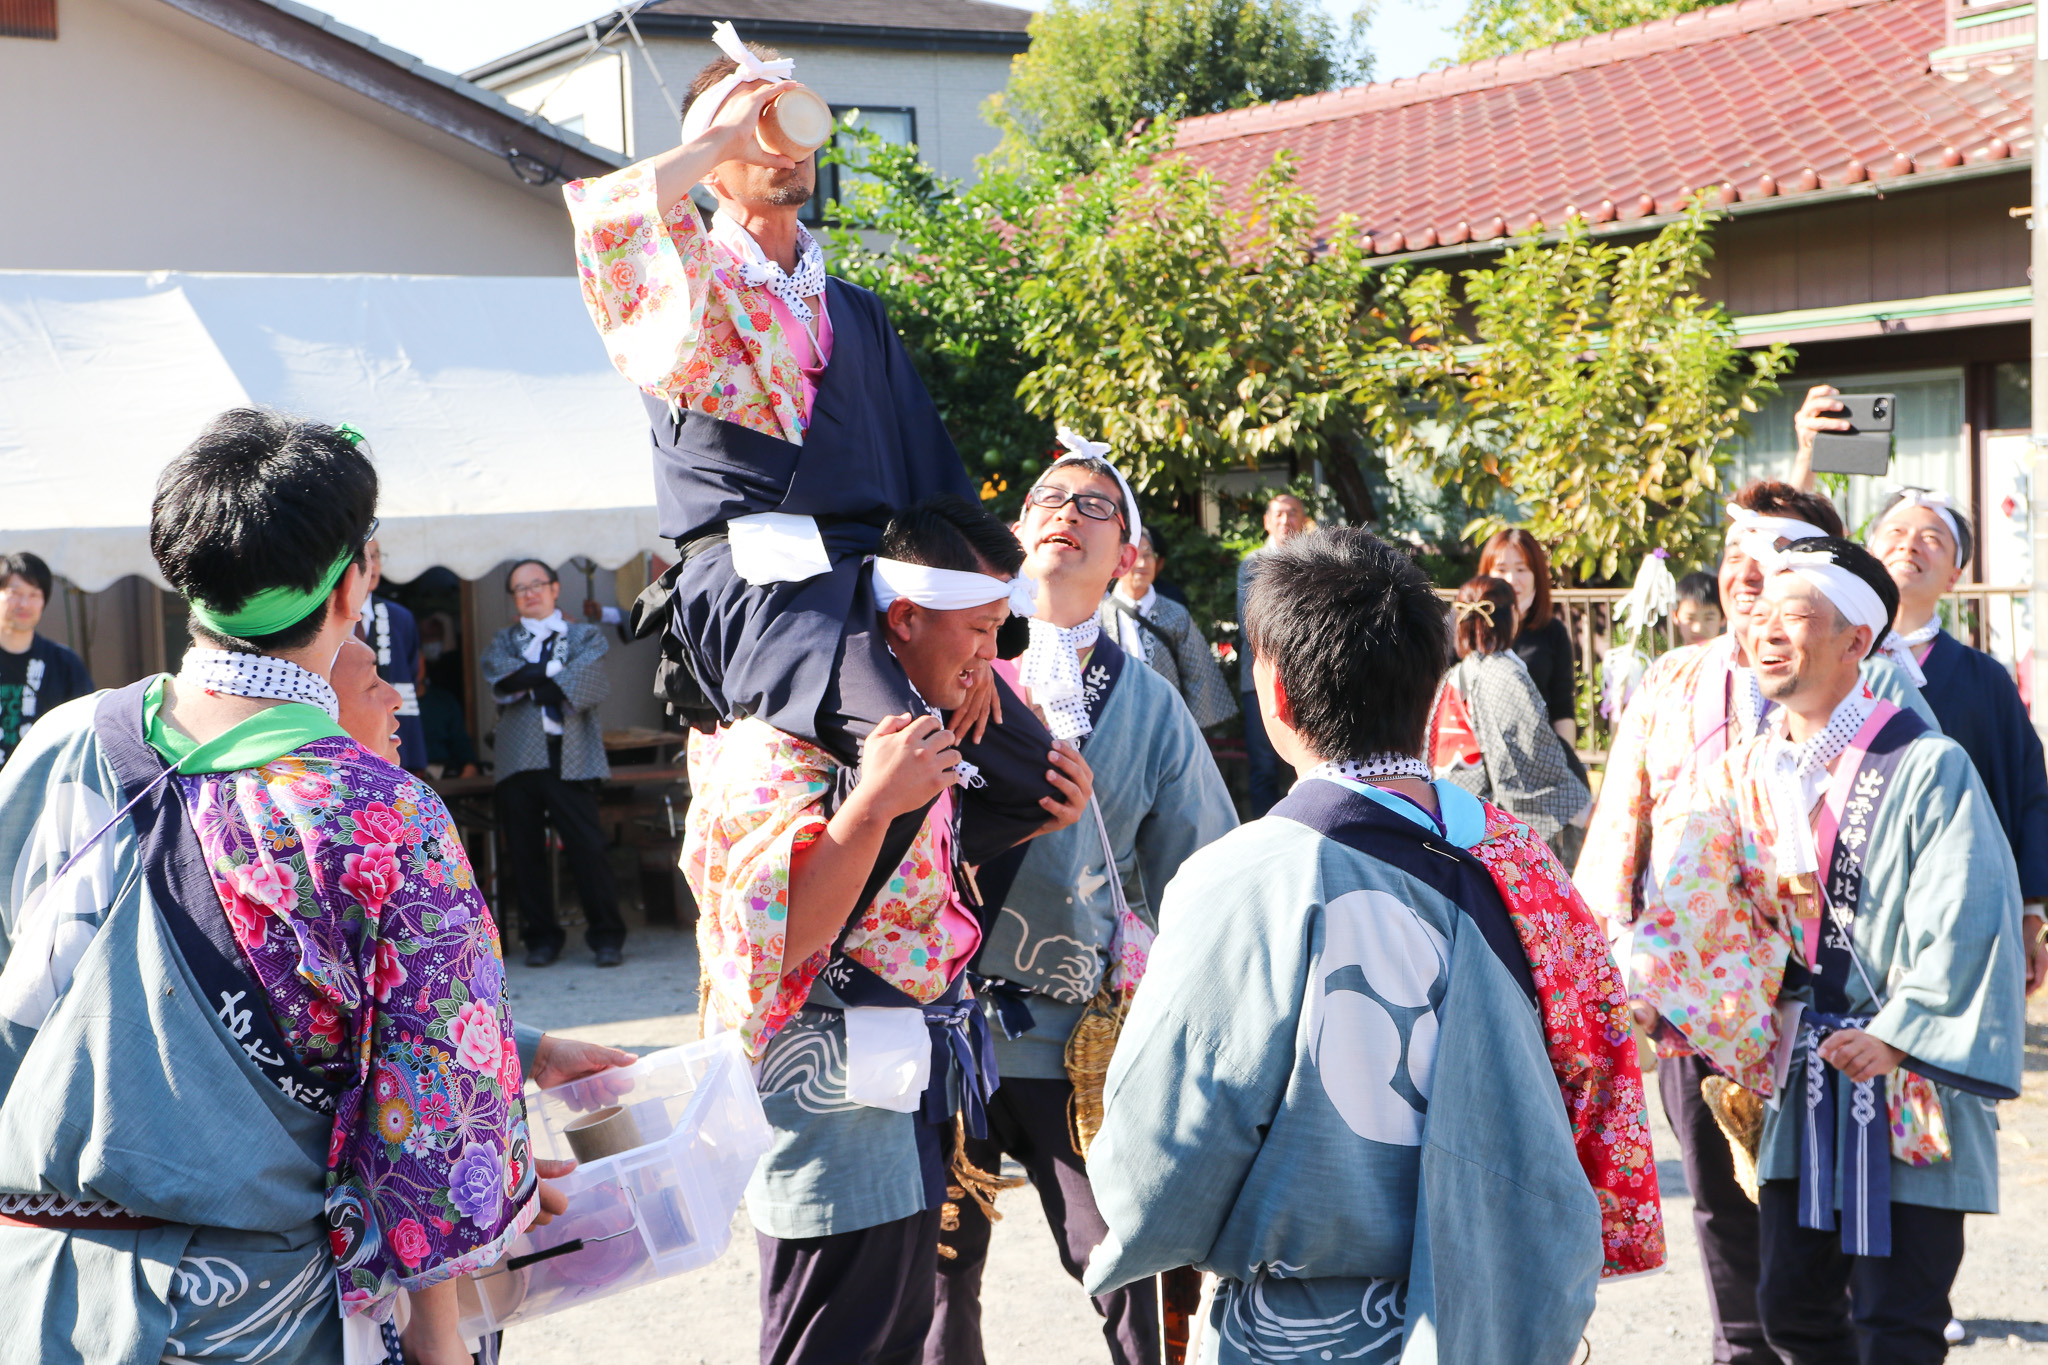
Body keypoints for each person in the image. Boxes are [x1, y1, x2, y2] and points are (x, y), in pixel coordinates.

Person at [0, 409, 562, 1364]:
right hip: (249, 1315)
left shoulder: (64, 741)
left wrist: (531, 1045)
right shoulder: (382, 814)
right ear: (355, 585)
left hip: (35, 1288)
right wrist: (439, 1338)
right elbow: (433, 1115)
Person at [1082, 528, 1663, 1365]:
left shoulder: (1246, 877)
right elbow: (1596, 1078)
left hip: (1304, 1322)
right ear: (1432, 690)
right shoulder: (1524, 862)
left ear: (1273, 692)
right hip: (1503, 1306)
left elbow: (1160, 1157)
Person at [562, 25, 1059, 858]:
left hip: (877, 569)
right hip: (759, 582)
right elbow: (615, 221)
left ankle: (916, 947)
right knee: (905, 733)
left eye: (795, 131)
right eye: (761, 136)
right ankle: (817, 958)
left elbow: (928, 472)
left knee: (1036, 777)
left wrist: (976, 631)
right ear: (710, 166)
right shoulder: (689, 292)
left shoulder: (857, 307)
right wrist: (726, 124)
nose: (788, 151)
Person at [682, 493, 1090, 1365]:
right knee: (832, 1340)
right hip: (828, 1112)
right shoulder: (781, 741)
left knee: (901, 1335)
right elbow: (772, 943)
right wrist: (870, 803)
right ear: (901, 617)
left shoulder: (917, 728)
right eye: (978, 630)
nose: (990, 655)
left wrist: (1038, 815)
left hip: (908, 1088)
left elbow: (911, 896)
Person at [1577, 478, 1935, 1365]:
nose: (1744, 575)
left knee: (1831, 1233)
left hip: (1830, 1006)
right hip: (1698, 1000)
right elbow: (1622, 823)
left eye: (1770, 560)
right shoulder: (1674, 677)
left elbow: (1923, 819)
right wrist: (1620, 961)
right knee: (1724, 1221)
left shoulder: (1879, 682)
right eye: (1734, 556)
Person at [1652, 538, 2023, 1363]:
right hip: (1803, 1076)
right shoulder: (1742, 772)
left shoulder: (1927, 765)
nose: (1767, 632)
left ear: (1857, 640)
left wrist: (1901, 1030)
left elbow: (1969, 912)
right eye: (1759, 617)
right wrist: (1656, 983)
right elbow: (1696, 902)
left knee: (1897, 1323)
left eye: (1796, 616)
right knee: (1792, 1311)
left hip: (1905, 1080)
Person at [928, 446, 1240, 1365]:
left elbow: (1207, 876)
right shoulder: (945, 669)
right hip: (943, 1024)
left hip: (1077, 1037)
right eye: (1049, 497)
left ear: (1127, 555)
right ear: (1018, 531)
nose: (1068, 510)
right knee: (941, 1273)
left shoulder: (1149, 701)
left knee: (1122, 1255)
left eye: (1097, 505)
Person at [1868, 487, 2048, 997]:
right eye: (1896, 534)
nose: (1910, 546)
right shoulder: (1837, 665)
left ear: (1954, 574)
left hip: (1961, 904)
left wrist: (2032, 910)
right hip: (1854, 904)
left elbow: (2027, 787)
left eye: (1933, 539)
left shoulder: (1985, 678)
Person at [481, 558, 627, 969]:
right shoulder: (504, 640)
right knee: (524, 853)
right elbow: (503, 678)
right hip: (517, 758)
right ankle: (541, 938)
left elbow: (590, 681)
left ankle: (607, 936)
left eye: (537, 584)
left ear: (555, 588)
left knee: (589, 848)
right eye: (520, 588)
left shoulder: (584, 635)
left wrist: (532, 679)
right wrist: (554, 671)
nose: (530, 592)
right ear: (514, 598)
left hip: (572, 752)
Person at [1431, 577, 1591, 863]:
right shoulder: (1503, 674)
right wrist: (1578, 805)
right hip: (1488, 822)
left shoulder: (1457, 673)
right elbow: (1528, 756)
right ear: (1512, 617)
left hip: (1454, 808)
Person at [1097, 528, 1234, 730]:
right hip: (1111, 723)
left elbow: (1198, 674)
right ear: (1119, 561)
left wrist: (1189, 732)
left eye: (1148, 555)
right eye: (1136, 556)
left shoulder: (1175, 614)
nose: (1143, 563)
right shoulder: (1096, 612)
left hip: (1166, 722)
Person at [1235, 492, 1307, 815]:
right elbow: (1249, 622)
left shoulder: (1311, 561)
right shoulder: (1251, 565)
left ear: (1303, 520)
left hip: (1305, 676)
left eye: (1292, 513)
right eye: (1278, 514)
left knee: (1304, 762)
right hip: (1261, 676)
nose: (1285, 520)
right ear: (1266, 521)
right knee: (1263, 764)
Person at [1478, 528, 1577, 744]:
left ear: (1537, 576)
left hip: (1535, 761)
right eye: (1501, 569)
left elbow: (1562, 709)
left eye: (1521, 569)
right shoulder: (1466, 627)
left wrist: (1567, 768)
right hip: (1473, 757)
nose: (1512, 579)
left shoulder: (1553, 632)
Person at [0, 552, 92, 771]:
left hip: (43, 791)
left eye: (34, 595)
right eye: (15, 592)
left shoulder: (64, 663)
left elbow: (85, 730)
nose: (24, 603)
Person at [356, 538, 427, 771]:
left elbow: (411, 672)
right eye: (365, 557)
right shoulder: (325, 616)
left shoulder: (400, 618)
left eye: (376, 556)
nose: (373, 566)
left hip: (394, 732)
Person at [1674, 570, 1726, 645]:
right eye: (1690, 618)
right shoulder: (1670, 657)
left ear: (1723, 618)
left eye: (1709, 618)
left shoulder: (1732, 656)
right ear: (1675, 616)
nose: (1698, 628)